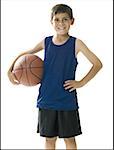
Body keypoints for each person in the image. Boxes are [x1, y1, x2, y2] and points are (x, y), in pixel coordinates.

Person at [7, 4, 103, 150]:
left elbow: (97, 64)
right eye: (57, 19)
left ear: (72, 21)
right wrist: (9, 70)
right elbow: (26, 53)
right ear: (51, 21)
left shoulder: (76, 43)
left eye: (65, 19)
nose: (61, 23)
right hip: (46, 100)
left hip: (66, 100)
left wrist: (81, 83)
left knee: (69, 140)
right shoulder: (46, 42)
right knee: (49, 140)